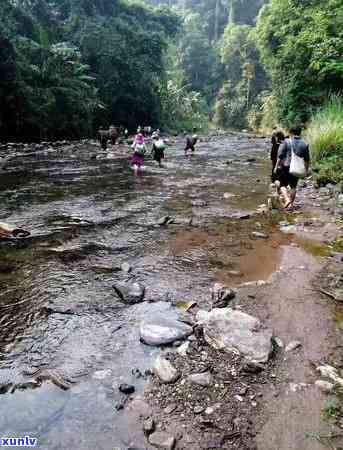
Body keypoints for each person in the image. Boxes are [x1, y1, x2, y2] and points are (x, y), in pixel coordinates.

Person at [274, 126, 310, 210]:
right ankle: (291, 205)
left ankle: (287, 200)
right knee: (293, 186)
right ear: (300, 133)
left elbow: (280, 156)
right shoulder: (305, 143)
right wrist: (306, 170)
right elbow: (307, 159)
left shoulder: (286, 141)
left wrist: (276, 167)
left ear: (291, 133)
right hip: (297, 168)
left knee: (283, 185)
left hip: (286, 167)